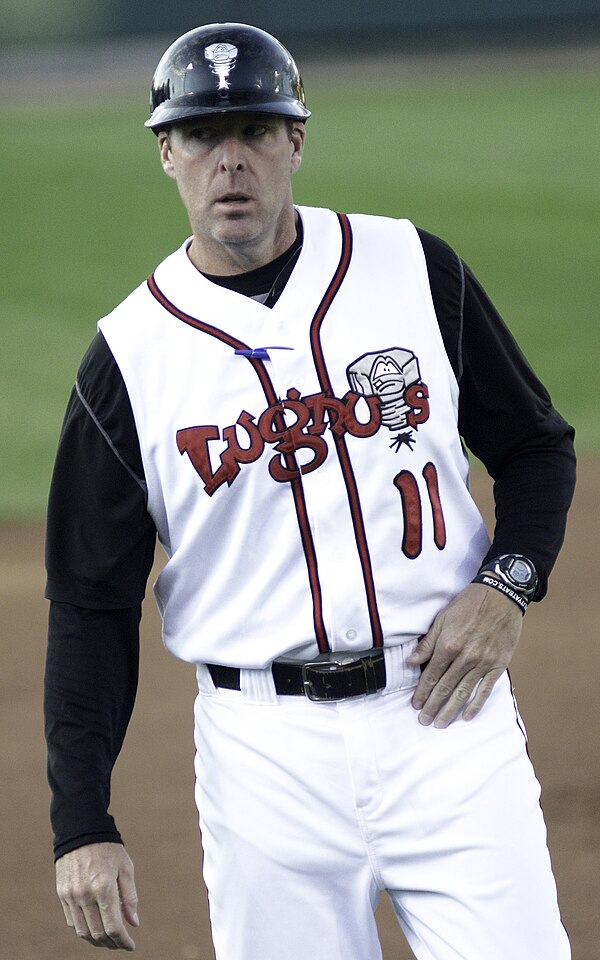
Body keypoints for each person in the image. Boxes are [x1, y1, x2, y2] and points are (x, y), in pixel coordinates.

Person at [44, 22, 576, 960]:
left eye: (254, 128)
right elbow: (90, 606)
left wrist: (508, 585)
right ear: (167, 153)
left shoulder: (414, 268)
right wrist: (82, 822)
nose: (231, 159)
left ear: (297, 139)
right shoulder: (127, 359)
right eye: (204, 135)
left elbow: (535, 445)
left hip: (445, 718)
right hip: (262, 760)